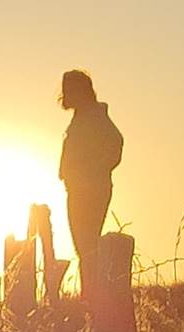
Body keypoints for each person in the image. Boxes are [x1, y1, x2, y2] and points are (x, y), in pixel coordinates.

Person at [58, 70, 123, 302]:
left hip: (91, 189)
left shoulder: (95, 116)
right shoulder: (82, 116)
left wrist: (93, 171)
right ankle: (91, 295)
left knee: (87, 243)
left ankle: (93, 296)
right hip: (78, 188)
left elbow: (115, 144)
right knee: (84, 243)